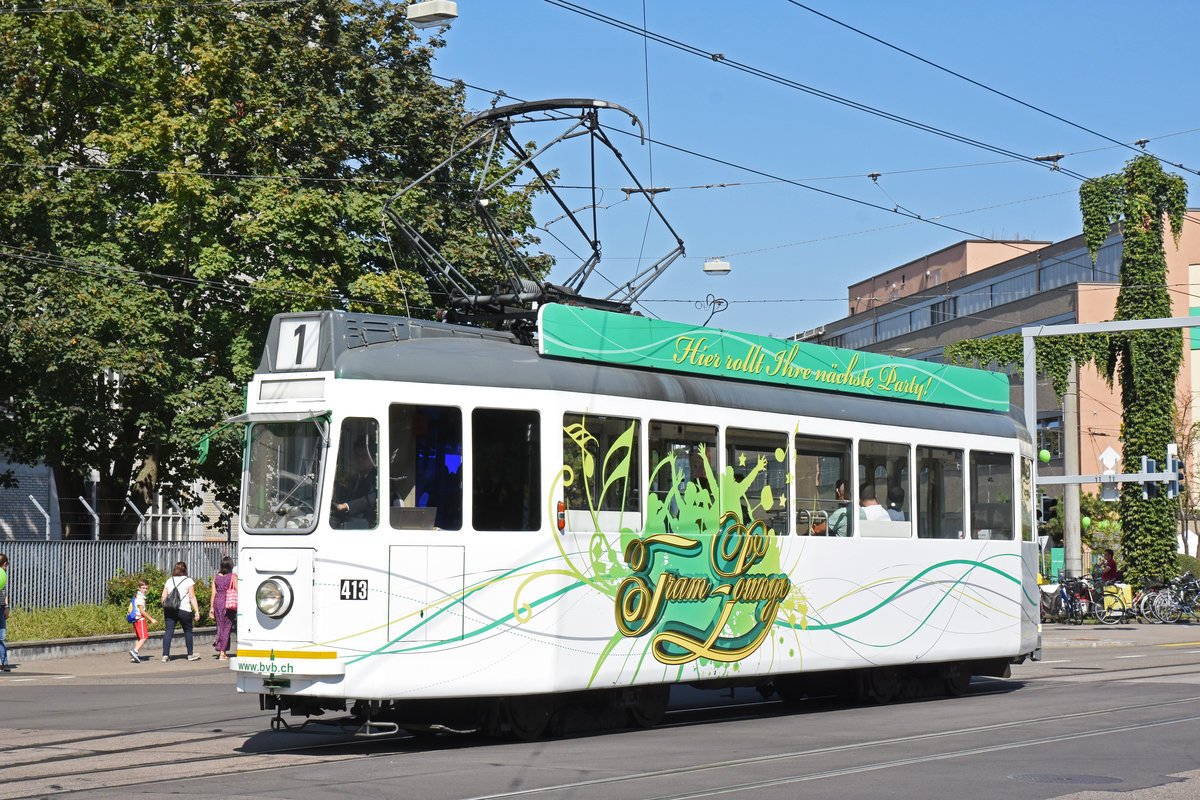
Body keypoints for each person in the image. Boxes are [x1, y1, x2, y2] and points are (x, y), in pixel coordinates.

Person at [161, 561, 202, 662]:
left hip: (170, 610)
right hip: (184, 610)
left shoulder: (169, 580)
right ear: (185, 570)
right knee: (188, 631)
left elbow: (163, 596)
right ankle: (190, 654)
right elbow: (192, 597)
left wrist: (165, 607)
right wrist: (196, 611)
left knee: (169, 631)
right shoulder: (189, 581)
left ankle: (165, 655)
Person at [332, 441, 378, 528]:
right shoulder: (353, 479)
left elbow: (373, 498)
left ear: (373, 459)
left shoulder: (379, 479)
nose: (359, 460)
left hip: (368, 527)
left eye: (364, 456)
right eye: (357, 456)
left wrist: (346, 506)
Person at [209, 556, 237, 660]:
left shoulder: (216, 577)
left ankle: (220, 647)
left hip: (217, 602)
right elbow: (238, 590)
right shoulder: (233, 576)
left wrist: (211, 607)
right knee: (227, 627)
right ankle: (222, 652)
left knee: (220, 626)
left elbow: (213, 593)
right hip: (229, 603)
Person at [129, 579, 157, 663]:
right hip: (140, 619)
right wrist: (151, 619)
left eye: (146, 588)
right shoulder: (141, 598)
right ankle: (135, 651)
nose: (144, 590)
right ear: (139, 588)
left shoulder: (139, 596)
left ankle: (135, 656)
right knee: (144, 637)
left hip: (136, 620)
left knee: (139, 638)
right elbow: (142, 611)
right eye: (143, 588)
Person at [0, 553, 9, 672]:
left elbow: (5, 592)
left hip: (1, 608)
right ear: (5, 564)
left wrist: (6, 607)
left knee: (2, 637)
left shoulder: (3, 575)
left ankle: (5, 663)